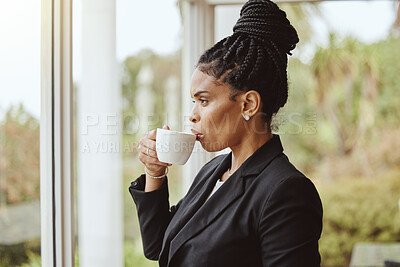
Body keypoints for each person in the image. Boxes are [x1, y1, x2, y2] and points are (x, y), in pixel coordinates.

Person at [129, 0, 323, 266]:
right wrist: (155, 173)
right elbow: (159, 246)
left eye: (204, 101)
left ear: (248, 104)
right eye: (193, 101)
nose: (192, 114)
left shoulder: (286, 191)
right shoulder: (214, 171)